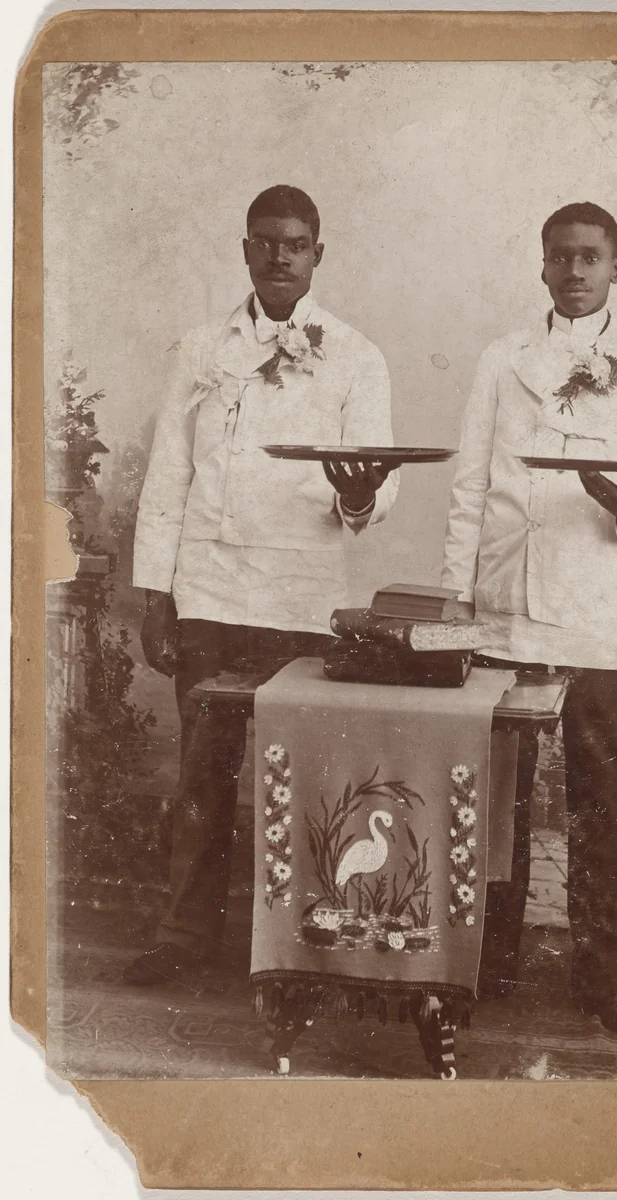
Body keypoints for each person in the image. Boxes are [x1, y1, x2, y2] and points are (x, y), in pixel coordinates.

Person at [125, 185, 399, 984]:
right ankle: (184, 939)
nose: (280, 256)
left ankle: (296, 948)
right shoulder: (199, 349)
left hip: (301, 598)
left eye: (296, 243)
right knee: (202, 775)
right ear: (246, 250)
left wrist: (360, 495)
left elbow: (377, 484)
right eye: (265, 242)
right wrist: (158, 595)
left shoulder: (356, 356)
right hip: (209, 592)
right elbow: (168, 477)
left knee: (303, 781)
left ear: (319, 254)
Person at [442, 201, 617, 1036]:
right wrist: (457, 596)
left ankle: (604, 980)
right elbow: (471, 485)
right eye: (561, 256)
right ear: (542, 266)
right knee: (496, 797)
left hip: (592, 606)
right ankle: (488, 963)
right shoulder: (502, 359)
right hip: (505, 604)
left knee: (600, 798)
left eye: (591, 256)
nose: (575, 270)